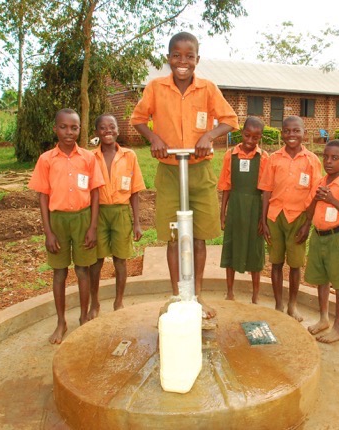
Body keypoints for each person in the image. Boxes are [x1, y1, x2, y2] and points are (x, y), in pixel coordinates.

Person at [130, 32, 238, 318]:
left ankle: (197, 296)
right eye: (176, 55)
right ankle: (177, 295)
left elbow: (230, 120)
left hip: (199, 169)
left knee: (199, 235)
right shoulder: (155, 87)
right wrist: (153, 138)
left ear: (197, 60)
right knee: (173, 235)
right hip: (168, 170)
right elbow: (138, 119)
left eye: (189, 56)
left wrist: (210, 136)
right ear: (168, 58)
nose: (182, 61)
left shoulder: (207, 89)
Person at [28, 108, 105, 344]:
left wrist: (92, 227)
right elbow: (42, 196)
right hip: (58, 221)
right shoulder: (46, 160)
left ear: (80, 129)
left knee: (83, 270)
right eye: (63, 127)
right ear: (55, 129)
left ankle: (83, 317)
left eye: (74, 127)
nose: (69, 132)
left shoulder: (89, 158)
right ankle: (61, 321)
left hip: (83, 219)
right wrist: (48, 232)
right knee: (59, 273)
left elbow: (95, 194)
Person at [259, 116, 322, 321]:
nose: (291, 135)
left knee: (295, 264)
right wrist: (263, 221)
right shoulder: (273, 158)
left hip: (298, 218)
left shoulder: (312, 160)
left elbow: (315, 194)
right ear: (282, 133)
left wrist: (307, 223)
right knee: (276, 263)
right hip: (275, 217)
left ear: (304, 133)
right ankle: (279, 304)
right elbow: (266, 191)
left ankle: (292, 305)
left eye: (296, 131)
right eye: (287, 131)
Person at [297, 140, 339, 343]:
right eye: (326, 157)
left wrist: (332, 200)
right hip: (319, 236)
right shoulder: (320, 182)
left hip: (338, 237)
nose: (329, 162)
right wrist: (317, 199)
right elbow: (308, 211)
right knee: (321, 280)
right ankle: (323, 318)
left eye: (335, 158)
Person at [88, 114, 145, 319]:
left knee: (120, 260)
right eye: (102, 128)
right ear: (96, 133)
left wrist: (136, 222)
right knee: (96, 261)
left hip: (121, 213)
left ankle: (118, 301)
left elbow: (135, 191)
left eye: (111, 127)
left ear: (118, 130)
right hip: (99, 212)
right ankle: (94, 303)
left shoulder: (129, 156)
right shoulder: (90, 157)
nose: (107, 131)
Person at [218, 117, 269, 304]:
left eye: (255, 138)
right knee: (231, 246)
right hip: (235, 208)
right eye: (247, 136)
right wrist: (222, 213)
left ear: (260, 138)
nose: (250, 141)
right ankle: (230, 292)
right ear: (242, 133)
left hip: (255, 208)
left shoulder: (263, 158)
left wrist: (263, 219)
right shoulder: (230, 155)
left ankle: (255, 295)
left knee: (255, 251)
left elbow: (266, 190)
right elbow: (226, 186)